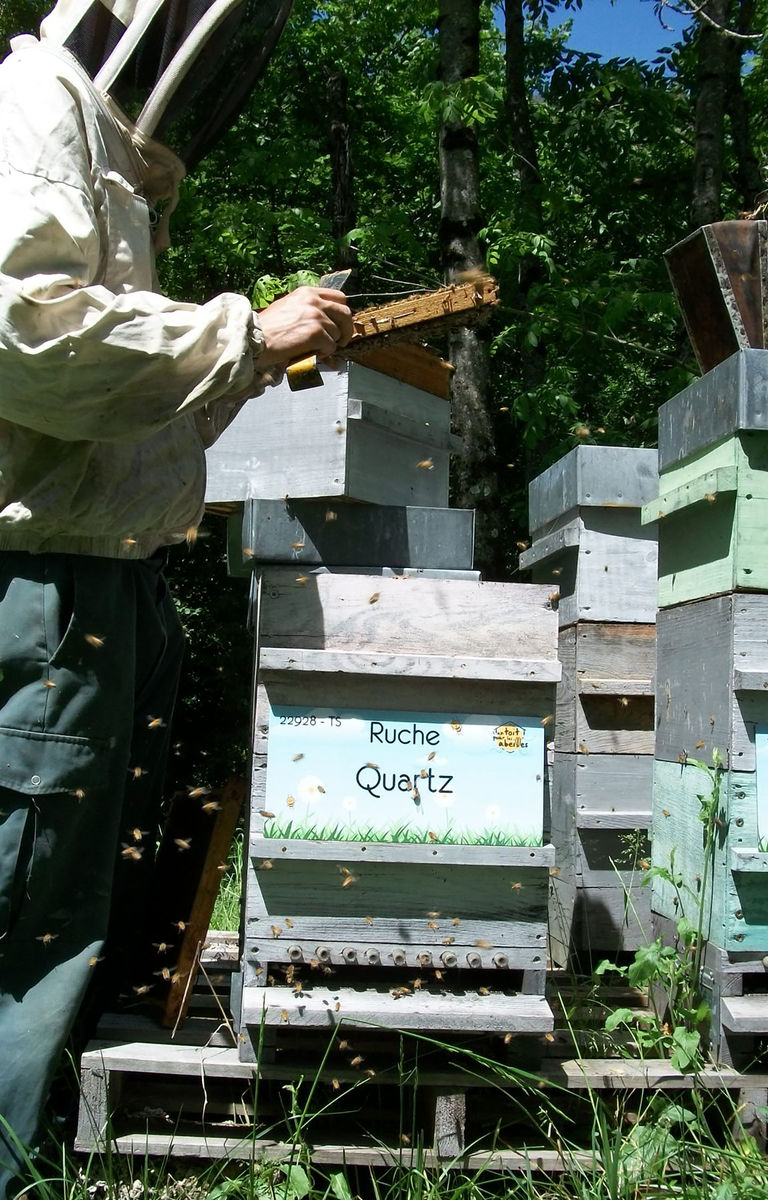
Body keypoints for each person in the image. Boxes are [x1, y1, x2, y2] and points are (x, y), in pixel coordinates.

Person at [0, 1, 353, 1191]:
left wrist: (246, 359)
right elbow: (28, 336)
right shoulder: (34, 104)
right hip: (44, 589)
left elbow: (113, 419)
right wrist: (237, 328)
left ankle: (39, 1152)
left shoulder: (102, 146)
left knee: (71, 903)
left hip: (108, 584)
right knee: (22, 912)